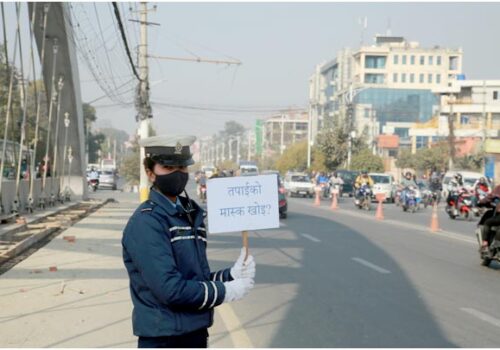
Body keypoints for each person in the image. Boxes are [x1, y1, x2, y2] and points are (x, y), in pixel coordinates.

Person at [122, 136, 256, 348]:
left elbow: (195, 277)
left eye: (182, 166)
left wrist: (230, 275)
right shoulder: (146, 223)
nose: (177, 173)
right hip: (164, 337)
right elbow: (171, 289)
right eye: (168, 167)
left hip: (195, 332)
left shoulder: (189, 214)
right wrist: (225, 291)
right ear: (150, 172)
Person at [478, 184, 500, 253]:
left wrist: (480, 202)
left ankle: (485, 243)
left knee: (487, 222)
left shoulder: (498, 189)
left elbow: (489, 197)